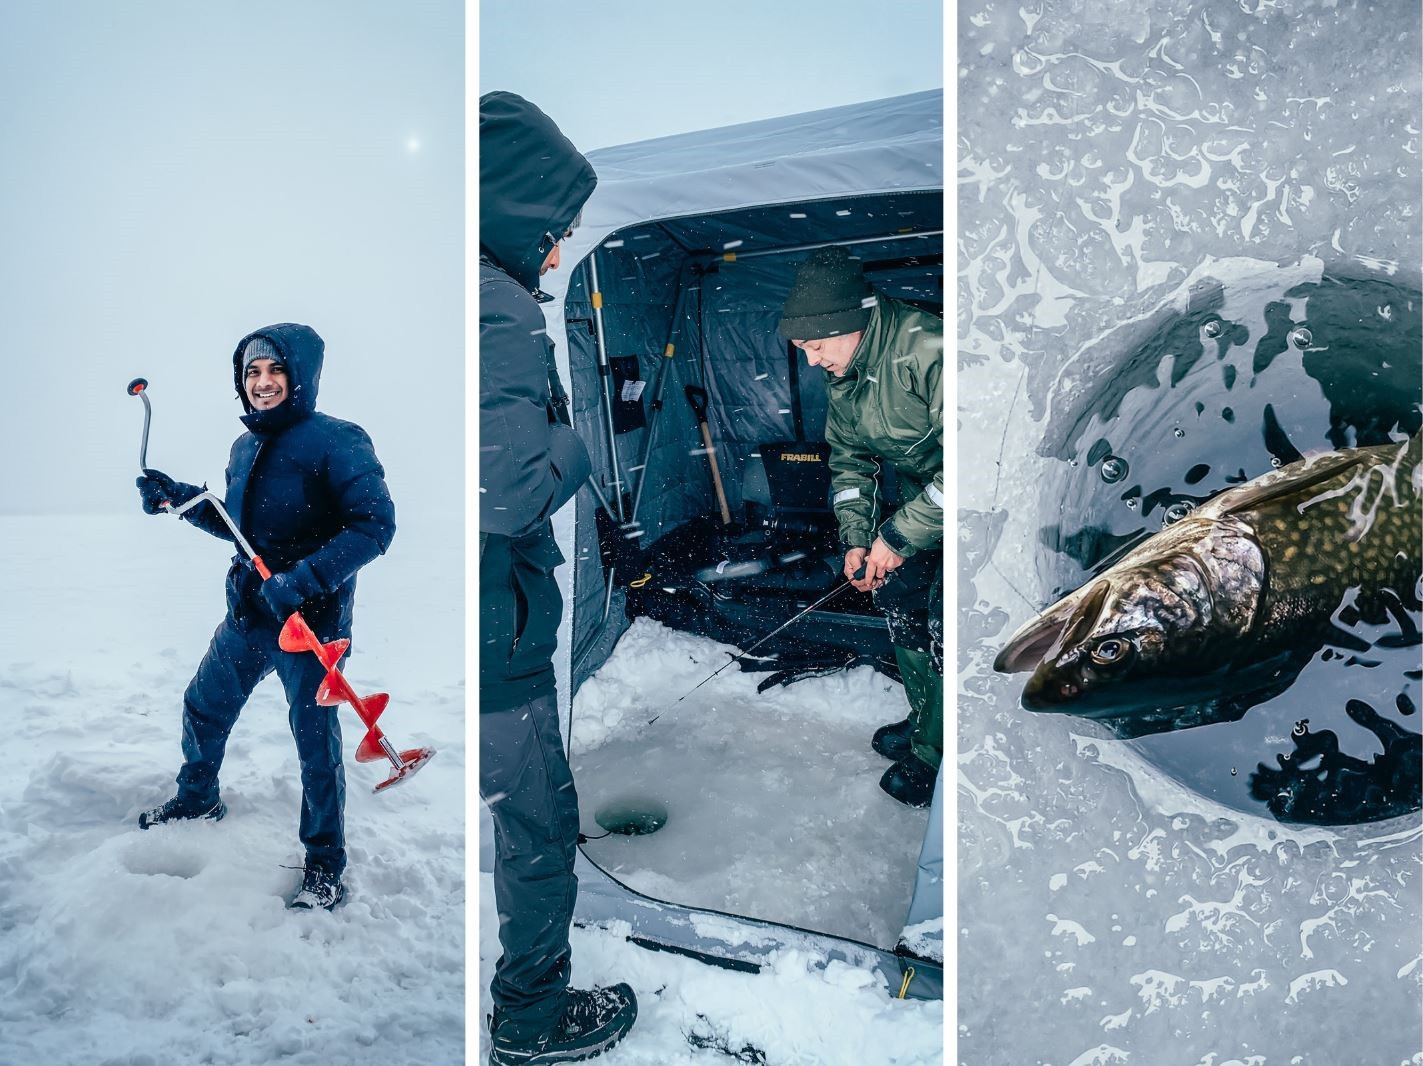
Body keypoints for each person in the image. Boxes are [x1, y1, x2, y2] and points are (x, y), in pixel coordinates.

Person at [478, 90, 638, 1066]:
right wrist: (575, 443)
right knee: (538, 827)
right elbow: (510, 491)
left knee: (513, 812)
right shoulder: (497, 312)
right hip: (501, 635)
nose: (557, 249)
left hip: (479, 616)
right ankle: (531, 1019)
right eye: (555, 229)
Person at [134, 323, 396, 910]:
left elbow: (375, 526)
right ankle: (198, 795)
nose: (263, 382)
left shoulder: (338, 439)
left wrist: (301, 583)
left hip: (313, 625)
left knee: (314, 744)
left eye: (275, 369)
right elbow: (237, 527)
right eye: (252, 372)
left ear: (300, 376)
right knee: (204, 702)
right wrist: (180, 497)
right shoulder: (245, 446)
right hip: (251, 611)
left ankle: (325, 866)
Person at [778, 246, 944, 808]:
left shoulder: (931, 350)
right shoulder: (844, 367)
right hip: (926, 505)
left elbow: (979, 464)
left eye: (816, 347)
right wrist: (857, 539)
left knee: (948, 622)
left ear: (849, 325)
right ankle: (928, 723)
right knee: (902, 600)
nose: (811, 361)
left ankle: (939, 754)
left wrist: (895, 539)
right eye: (802, 350)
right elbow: (849, 460)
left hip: (982, 510)